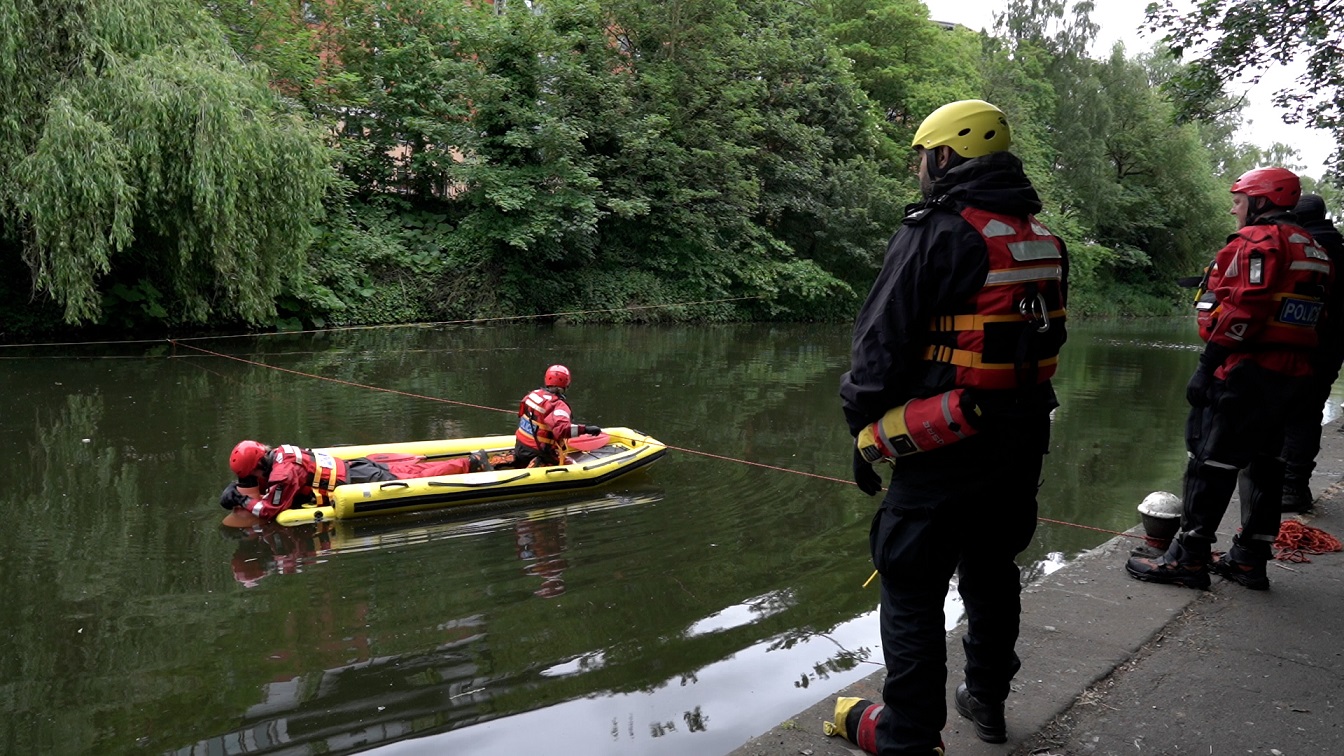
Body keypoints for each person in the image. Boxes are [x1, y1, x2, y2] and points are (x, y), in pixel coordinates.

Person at [831, 99, 1067, 756]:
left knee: (909, 578)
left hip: (944, 443)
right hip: (1020, 441)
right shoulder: (1043, 240)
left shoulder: (934, 232)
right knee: (992, 567)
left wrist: (862, 434)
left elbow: (878, 353)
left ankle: (907, 734)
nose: (918, 173)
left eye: (921, 159)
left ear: (943, 156)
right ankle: (986, 702)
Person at [1127, 168, 1333, 591]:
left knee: (1212, 460)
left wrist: (1208, 365)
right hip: (1293, 370)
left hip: (1247, 369)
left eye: (1238, 201)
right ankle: (1249, 558)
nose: (1233, 209)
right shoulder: (1312, 247)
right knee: (1266, 464)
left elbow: (1245, 308)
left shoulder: (1258, 242)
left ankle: (1189, 557)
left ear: (1259, 201)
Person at [219, 440, 493, 520]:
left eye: (250, 473)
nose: (252, 478)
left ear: (259, 465)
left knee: (418, 477)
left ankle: (470, 462)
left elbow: (270, 511)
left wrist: (244, 499)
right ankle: (469, 461)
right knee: (409, 472)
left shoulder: (283, 473)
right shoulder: (278, 454)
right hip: (352, 470)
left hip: (357, 480)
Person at [1280, 194, 1344, 513]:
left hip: (1306, 342)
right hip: (1331, 346)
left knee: (1297, 413)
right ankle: (1292, 483)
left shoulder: (1309, 248)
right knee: (1308, 410)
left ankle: (1291, 485)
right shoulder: (1339, 246)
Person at [509, 364, 602, 468]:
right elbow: (563, 430)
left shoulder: (533, 394)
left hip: (520, 447)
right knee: (573, 465)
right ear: (566, 384)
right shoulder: (558, 405)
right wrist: (586, 429)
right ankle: (541, 463)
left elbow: (522, 413)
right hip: (539, 452)